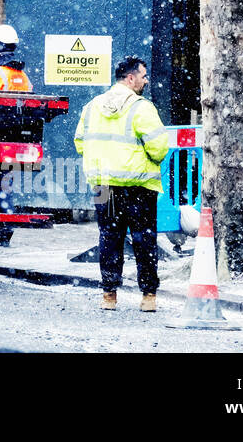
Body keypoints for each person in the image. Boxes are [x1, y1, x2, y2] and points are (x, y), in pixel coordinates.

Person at [74, 55, 169, 311]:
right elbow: (160, 148)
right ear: (131, 78)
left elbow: (80, 142)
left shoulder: (92, 106)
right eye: (143, 75)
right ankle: (148, 297)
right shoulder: (142, 108)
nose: (146, 80)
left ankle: (109, 295)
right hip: (138, 186)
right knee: (143, 239)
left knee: (109, 237)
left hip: (103, 187)